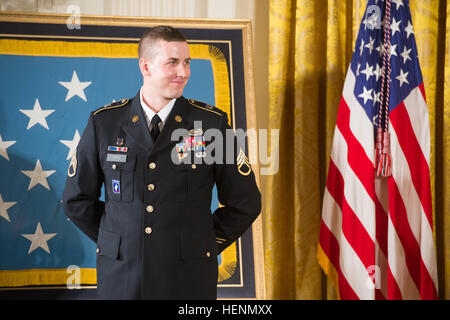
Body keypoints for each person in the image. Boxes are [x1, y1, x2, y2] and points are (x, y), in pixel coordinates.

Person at [62, 26, 261, 300]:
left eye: (187, 62)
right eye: (173, 62)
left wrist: (202, 243)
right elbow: (76, 200)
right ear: (146, 66)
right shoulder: (104, 124)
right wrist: (117, 242)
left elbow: (245, 202)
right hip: (122, 277)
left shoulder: (211, 125)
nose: (184, 72)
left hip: (188, 277)